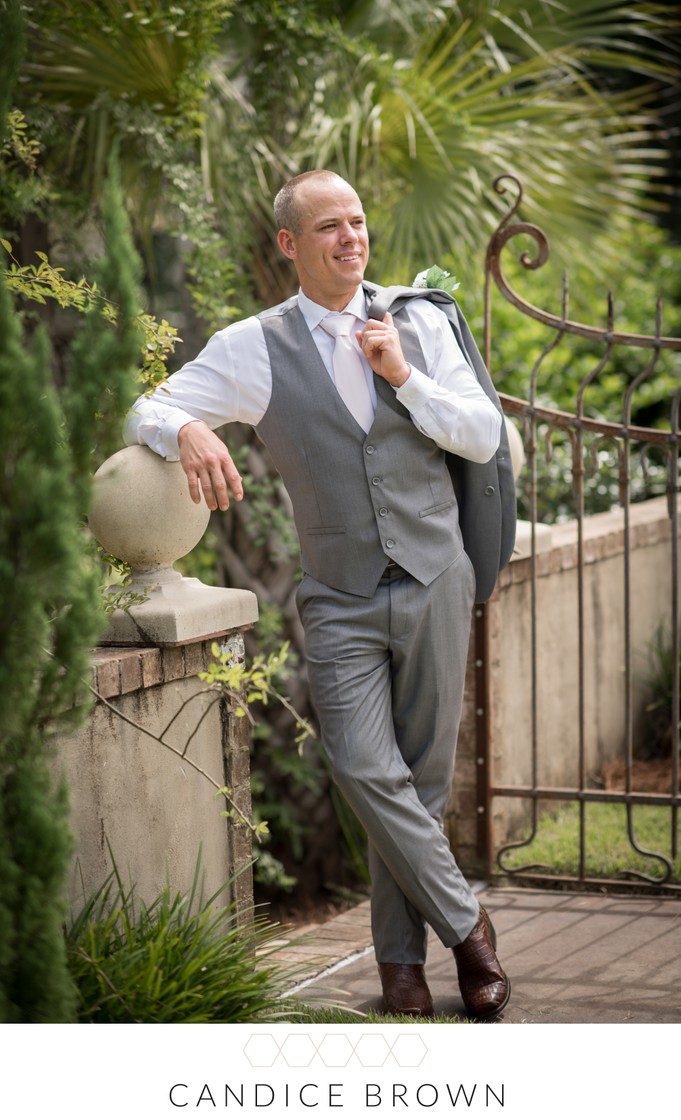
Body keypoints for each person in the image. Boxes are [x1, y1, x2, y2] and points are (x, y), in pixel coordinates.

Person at [125, 169, 510, 1020]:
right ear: (289, 245)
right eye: (329, 226)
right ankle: (469, 927)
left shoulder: (417, 320)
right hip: (337, 595)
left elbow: (484, 435)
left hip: (434, 575)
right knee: (364, 767)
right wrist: (186, 426)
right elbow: (142, 409)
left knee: (420, 786)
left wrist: (405, 377)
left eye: (358, 220)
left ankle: (400, 975)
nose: (351, 236)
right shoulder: (252, 345)